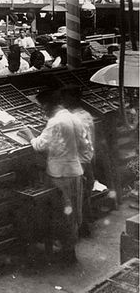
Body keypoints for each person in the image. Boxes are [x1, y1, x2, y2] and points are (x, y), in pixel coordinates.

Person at [18, 88, 92, 264]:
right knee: (73, 212)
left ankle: (67, 253)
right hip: (75, 171)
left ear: (48, 105)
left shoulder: (55, 122)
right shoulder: (74, 118)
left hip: (59, 175)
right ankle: (70, 250)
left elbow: (39, 145)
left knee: (61, 213)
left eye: (42, 107)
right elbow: (85, 146)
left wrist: (29, 135)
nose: (42, 110)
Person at [60, 87, 96, 237]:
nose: (62, 101)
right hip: (87, 160)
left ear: (72, 99)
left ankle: (78, 229)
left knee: (76, 197)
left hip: (78, 163)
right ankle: (85, 225)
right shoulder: (85, 114)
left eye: (65, 98)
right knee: (84, 194)